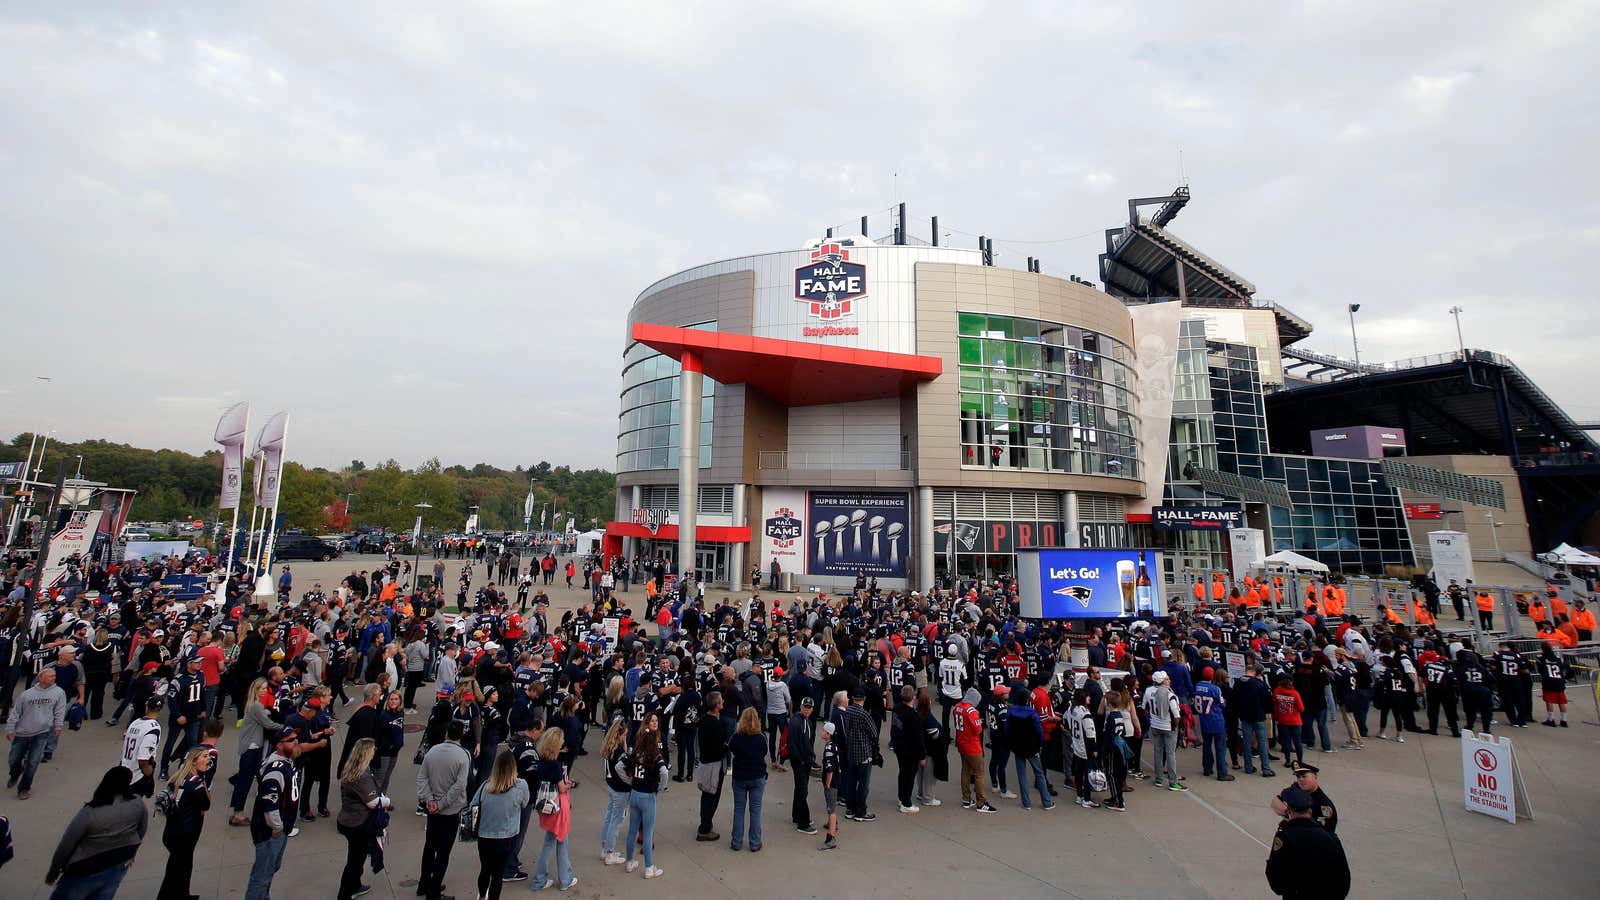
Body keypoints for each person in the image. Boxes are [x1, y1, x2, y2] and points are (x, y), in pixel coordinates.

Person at [45, 766, 148, 898]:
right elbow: (141, 829)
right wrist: (132, 850)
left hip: (86, 869)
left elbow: (66, 844)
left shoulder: (90, 812)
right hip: (119, 864)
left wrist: (53, 872)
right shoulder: (138, 803)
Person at [416, 719, 472, 900]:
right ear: (461, 735)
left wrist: (430, 801)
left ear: (447, 733)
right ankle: (433, 891)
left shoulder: (432, 751)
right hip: (450, 812)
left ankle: (424, 883)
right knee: (443, 852)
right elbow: (460, 786)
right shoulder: (463, 756)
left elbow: (422, 779)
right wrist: (441, 804)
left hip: (433, 811)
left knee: (429, 846)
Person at [1264, 786, 1350, 899]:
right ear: (1310, 811)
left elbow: (1276, 881)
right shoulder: (1330, 837)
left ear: (1288, 811)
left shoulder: (1286, 837)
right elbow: (1344, 878)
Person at [246, 726, 300, 900]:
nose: (296, 742)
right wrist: (277, 827)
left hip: (280, 829)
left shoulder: (287, 760)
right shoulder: (276, 769)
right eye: (291, 740)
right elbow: (269, 803)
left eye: (295, 738)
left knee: (270, 869)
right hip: (270, 832)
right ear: (279, 745)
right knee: (261, 876)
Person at [470, 748, 530, 900]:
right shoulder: (520, 785)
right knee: (498, 875)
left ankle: (482, 896)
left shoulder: (486, 786)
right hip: (507, 838)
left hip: (485, 836)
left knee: (485, 870)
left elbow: (472, 806)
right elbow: (525, 803)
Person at [336, 737, 391, 900]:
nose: (375, 752)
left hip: (348, 819)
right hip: (357, 823)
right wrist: (387, 801)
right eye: (372, 749)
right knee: (354, 860)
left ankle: (355, 885)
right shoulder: (362, 775)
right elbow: (373, 802)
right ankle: (345, 894)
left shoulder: (352, 768)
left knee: (357, 857)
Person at [156, 747, 212, 900]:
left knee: (178, 868)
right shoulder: (196, 783)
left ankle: (182, 894)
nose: (208, 759)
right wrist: (204, 779)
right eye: (205, 757)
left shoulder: (178, 778)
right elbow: (206, 805)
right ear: (194, 762)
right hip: (185, 834)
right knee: (179, 870)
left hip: (172, 832)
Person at [6, 665, 66, 800]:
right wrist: (10, 728)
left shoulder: (59, 693)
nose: (54, 678)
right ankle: (15, 772)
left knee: (33, 762)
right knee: (14, 759)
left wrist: (58, 727)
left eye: (54, 676)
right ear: (41, 678)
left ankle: (24, 788)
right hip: (22, 733)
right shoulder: (27, 694)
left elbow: (59, 711)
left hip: (42, 733)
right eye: (51, 676)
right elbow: (15, 712)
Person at [529, 728, 578, 891]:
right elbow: (562, 788)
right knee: (561, 841)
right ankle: (564, 878)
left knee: (550, 841)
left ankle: (541, 879)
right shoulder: (555, 765)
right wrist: (569, 784)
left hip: (546, 805)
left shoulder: (540, 761)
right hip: (558, 805)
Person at [623, 712, 667, 878]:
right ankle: (649, 867)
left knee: (632, 830)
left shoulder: (636, 754)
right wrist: (661, 787)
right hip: (648, 796)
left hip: (634, 793)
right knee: (648, 833)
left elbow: (621, 767)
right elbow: (664, 772)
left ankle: (629, 862)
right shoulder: (655, 755)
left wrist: (630, 782)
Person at [1004, 681, 1054, 809]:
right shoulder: (1032, 713)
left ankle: (1026, 803)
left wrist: (1011, 743)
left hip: (1017, 746)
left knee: (1021, 774)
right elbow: (1039, 730)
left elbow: (1008, 729)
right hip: (1032, 747)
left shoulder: (1011, 711)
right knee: (1039, 773)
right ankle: (1047, 802)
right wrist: (1040, 744)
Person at [729, 706, 769, 848]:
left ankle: (736, 842)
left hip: (740, 776)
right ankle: (755, 842)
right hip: (757, 776)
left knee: (739, 809)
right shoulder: (761, 738)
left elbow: (731, 749)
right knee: (755, 810)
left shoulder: (736, 738)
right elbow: (764, 752)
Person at [952, 688, 995, 812]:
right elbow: (978, 730)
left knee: (965, 771)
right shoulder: (971, 711)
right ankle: (981, 802)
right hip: (972, 745)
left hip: (961, 743)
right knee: (979, 773)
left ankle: (966, 798)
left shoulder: (957, 707)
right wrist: (979, 723)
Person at [1141, 670, 1185, 791]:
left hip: (1155, 725)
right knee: (1171, 754)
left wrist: (1152, 718)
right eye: (1167, 679)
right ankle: (1173, 781)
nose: (1169, 680)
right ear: (1162, 681)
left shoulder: (1148, 690)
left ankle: (1159, 778)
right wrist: (1175, 726)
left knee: (1158, 752)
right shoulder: (1169, 694)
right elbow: (1176, 715)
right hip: (1167, 726)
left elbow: (1144, 707)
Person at [695, 690, 728, 842]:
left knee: (706, 795)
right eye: (721, 701)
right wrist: (726, 747)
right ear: (716, 706)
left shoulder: (704, 720)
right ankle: (705, 828)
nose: (723, 703)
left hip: (706, 762)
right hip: (713, 764)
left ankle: (705, 823)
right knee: (711, 797)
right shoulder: (715, 724)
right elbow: (718, 747)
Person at [599, 717, 631, 865]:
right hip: (620, 789)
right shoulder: (618, 752)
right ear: (620, 735)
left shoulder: (609, 747)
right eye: (624, 735)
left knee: (609, 815)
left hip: (611, 786)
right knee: (616, 821)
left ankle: (605, 847)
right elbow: (623, 767)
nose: (625, 737)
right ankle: (610, 852)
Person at [890, 685, 927, 813]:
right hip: (910, 751)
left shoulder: (897, 709)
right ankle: (906, 803)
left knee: (903, 773)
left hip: (899, 747)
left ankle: (901, 797)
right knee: (909, 776)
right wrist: (922, 755)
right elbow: (918, 738)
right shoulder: (913, 716)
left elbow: (894, 728)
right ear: (913, 697)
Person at [1272, 763, 1339, 833]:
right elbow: (1275, 802)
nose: (1300, 779)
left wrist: (1294, 816)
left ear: (1315, 777)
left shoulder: (1324, 804)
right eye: (1298, 777)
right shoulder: (1297, 788)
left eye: (1304, 776)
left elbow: (1321, 833)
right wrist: (1288, 812)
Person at [121, 696, 165, 797]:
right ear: (160, 709)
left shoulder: (134, 723)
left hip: (124, 771)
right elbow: (143, 760)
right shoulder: (153, 728)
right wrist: (149, 777)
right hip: (136, 777)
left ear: (147, 706)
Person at [1195, 667, 1234, 781]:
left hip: (1204, 719)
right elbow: (1222, 704)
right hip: (1216, 720)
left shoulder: (1197, 686)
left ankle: (1207, 768)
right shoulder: (1215, 688)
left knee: (1207, 745)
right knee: (1220, 748)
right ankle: (1222, 773)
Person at [787, 696, 818, 833]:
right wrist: (800, 760)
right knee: (802, 790)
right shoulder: (795, 722)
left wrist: (810, 757)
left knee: (800, 788)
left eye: (809, 707)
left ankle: (797, 815)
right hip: (799, 762)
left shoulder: (807, 721)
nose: (807, 709)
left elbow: (809, 742)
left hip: (804, 761)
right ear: (800, 707)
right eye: (805, 707)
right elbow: (792, 744)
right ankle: (803, 822)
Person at [1066, 688, 1100, 809]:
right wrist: (1094, 749)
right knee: (1087, 774)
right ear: (1083, 699)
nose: (1089, 698)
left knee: (1079, 773)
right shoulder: (1085, 713)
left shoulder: (1071, 709)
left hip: (1076, 745)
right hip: (1085, 748)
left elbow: (1065, 722)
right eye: (1087, 696)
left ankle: (1079, 796)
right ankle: (1087, 799)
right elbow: (1090, 734)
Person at [1272, 676, 1307, 768]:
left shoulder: (1276, 691)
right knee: (1297, 742)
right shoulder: (1294, 693)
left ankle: (1288, 761)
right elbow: (1301, 708)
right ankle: (1300, 761)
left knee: (1286, 742)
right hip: (1295, 720)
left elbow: (1275, 705)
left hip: (1282, 720)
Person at [817, 720, 842, 849]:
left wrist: (827, 784)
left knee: (831, 809)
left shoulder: (828, 749)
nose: (822, 732)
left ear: (829, 734)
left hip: (831, 783)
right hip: (836, 781)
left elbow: (830, 769)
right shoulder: (834, 745)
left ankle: (831, 837)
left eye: (824, 731)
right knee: (830, 806)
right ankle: (832, 824)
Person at [1536, 645, 1571, 727]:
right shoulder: (1558, 659)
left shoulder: (1541, 659)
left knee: (1549, 700)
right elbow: (1564, 667)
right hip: (1559, 681)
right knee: (1561, 701)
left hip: (1548, 681)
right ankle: (1564, 720)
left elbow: (1540, 670)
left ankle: (1551, 719)